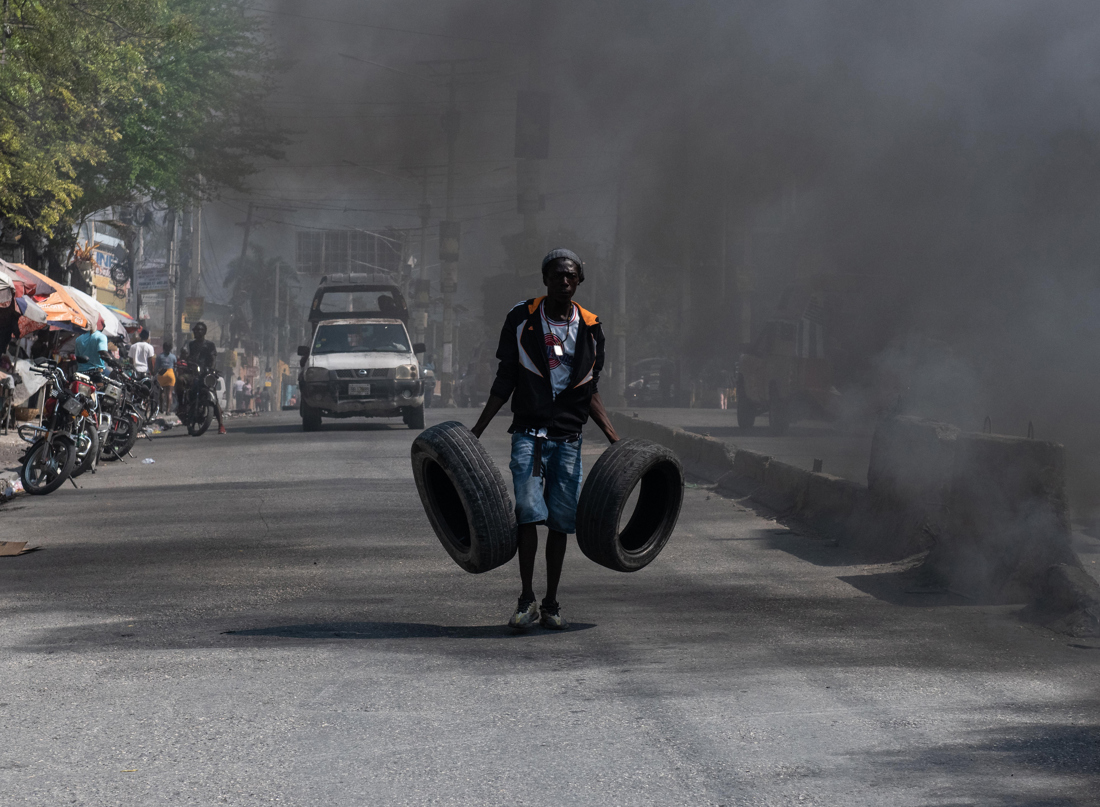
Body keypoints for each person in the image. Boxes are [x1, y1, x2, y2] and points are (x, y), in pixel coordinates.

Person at [471, 248, 619, 631]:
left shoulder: (591, 326)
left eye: (570, 276)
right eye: (556, 276)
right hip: (528, 435)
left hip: (568, 438)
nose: (563, 282)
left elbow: (590, 389)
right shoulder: (522, 318)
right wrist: (476, 431)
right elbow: (506, 377)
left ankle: (552, 603)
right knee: (528, 515)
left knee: (559, 522)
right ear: (545, 279)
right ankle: (526, 600)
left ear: (579, 281)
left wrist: (615, 441)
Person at [179, 321, 226, 434]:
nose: (197, 332)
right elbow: (187, 356)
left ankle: (221, 425)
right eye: (195, 330)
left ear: (204, 332)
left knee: (214, 398)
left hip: (205, 374)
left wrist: (211, 369)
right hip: (193, 373)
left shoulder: (210, 345)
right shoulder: (191, 344)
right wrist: (184, 360)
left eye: (199, 330)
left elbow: (213, 358)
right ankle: (181, 405)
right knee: (180, 380)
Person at [155, 340, 177, 414]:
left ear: (163, 348)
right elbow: (175, 367)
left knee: (161, 392)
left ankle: (161, 409)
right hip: (170, 374)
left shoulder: (159, 356)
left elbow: (156, 367)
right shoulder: (173, 357)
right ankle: (168, 410)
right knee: (169, 393)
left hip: (162, 374)